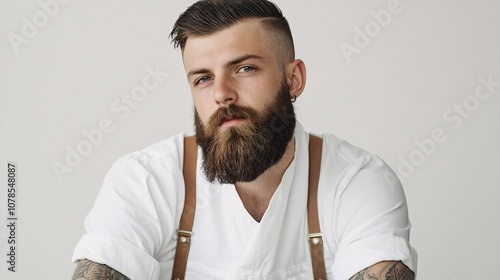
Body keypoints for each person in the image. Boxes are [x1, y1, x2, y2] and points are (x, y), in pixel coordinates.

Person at [71, 0, 417, 279]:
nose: (221, 94)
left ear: (293, 79)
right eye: (203, 78)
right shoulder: (146, 179)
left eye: (244, 69)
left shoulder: (356, 181)